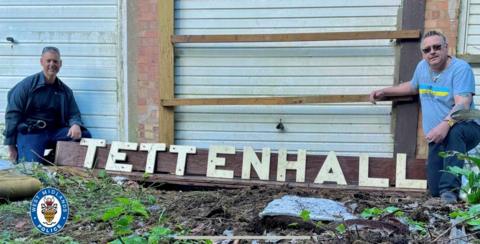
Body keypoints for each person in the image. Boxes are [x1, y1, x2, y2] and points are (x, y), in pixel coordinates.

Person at [370, 30, 480, 204]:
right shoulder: (422, 67)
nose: (432, 52)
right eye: (427, 49)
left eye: (437, 47)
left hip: (467, 127)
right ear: (423, 53)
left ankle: (450, 192)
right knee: (435, 189)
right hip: (438, 135)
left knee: (454, 131)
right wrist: (385, 91)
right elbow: (413, 87)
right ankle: (444, 196)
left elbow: (463, 104)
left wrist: (445, 124)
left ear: (446, 48)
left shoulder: (460, 69)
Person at [3, 46, 91, 163]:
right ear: (41, 62)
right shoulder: (26, 86)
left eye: (55, 61)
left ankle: (54, 157)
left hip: (53, 132)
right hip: (31, 132)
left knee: (85, 135)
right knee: (32, 167)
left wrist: (75, 124)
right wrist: (11, 147)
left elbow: (73, 113)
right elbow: (12, 115)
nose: (52, 64)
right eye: (48, 61)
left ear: (60, 64)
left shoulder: (65, 91)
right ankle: (33, 155)